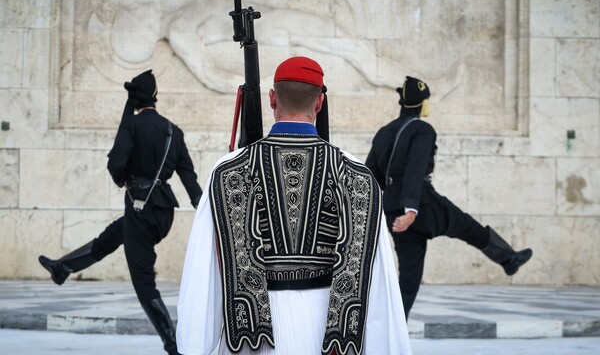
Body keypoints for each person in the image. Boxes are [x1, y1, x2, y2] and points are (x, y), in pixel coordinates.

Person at [176, 57, 412, 355]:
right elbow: (379, 280)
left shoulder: (227, 171)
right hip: (332, 337)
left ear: (272, 98)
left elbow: (203, 267)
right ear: (320, 102)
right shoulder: (356, 175)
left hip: (253, 338)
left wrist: (195, 343)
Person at [39, 70, 202, 355]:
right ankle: (62, 268)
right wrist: (205, 211)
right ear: (154, 97)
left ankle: (174, 346)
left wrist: (123, 179)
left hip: (140, 208)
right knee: (111, 237)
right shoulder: (173, 131)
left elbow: (116, 163)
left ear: (134, 99)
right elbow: (189, 178)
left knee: (143, 282)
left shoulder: (132, 125)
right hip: (163, 212)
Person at [365, 76, 533, 320]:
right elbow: (415, 167)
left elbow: (371, 174)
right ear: (420, 104)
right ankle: (508, 259)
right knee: (467, 226)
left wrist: (390, 203)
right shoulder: (422, 129)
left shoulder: (383, 132)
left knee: (409, 277)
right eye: (426, 101)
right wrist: (410, 209)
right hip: (420, 203)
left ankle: (394, 329)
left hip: (392, 211)